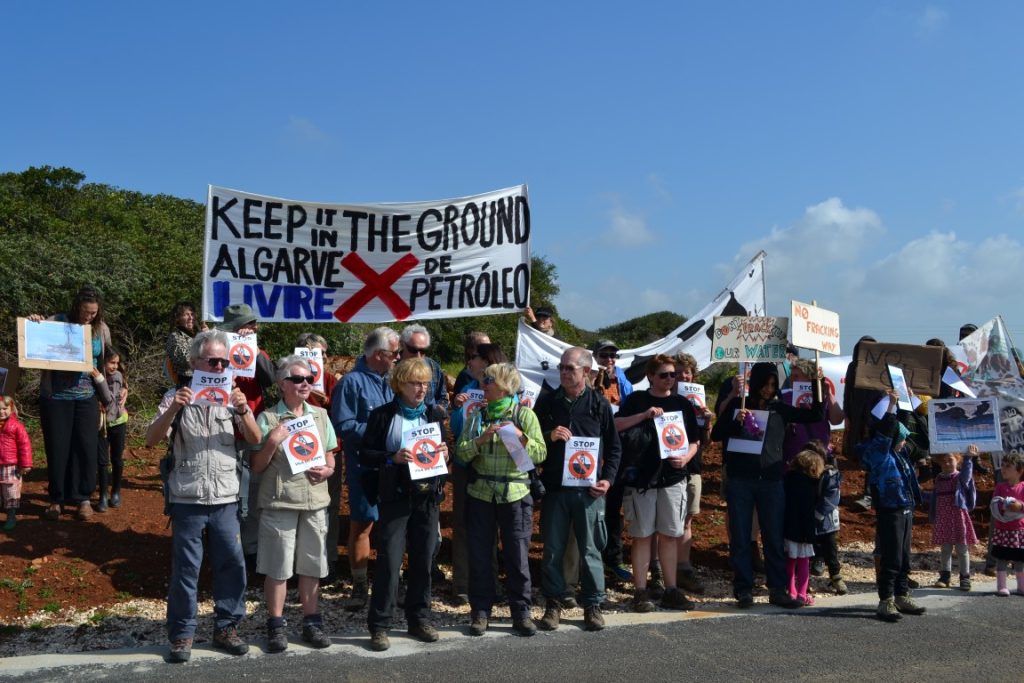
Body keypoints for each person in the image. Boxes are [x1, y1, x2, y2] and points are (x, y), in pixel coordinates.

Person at [145, 329, 261, 663]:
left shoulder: (233, 396)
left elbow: (253, 438)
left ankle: (227, 627)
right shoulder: (175, 396)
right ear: (195, 362)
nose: (219, 366)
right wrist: (172, 410)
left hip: (225, 496)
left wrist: (242, 410)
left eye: (224, 361)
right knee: (186, 570)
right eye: (213, 360)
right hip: (188, 497)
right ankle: (182, 634)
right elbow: (152, 440)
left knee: (232, 565)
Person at [711, 362, 824, 609]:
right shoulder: (739, 405)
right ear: (756, 383)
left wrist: (817, 384)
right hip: (740, 480)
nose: (768, 389)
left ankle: (777, 589)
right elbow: (715, 435)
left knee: (773, 536)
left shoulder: (780, 409)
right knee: (741, 537)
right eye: (765, 384)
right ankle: (743, 590)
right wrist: (734, 421)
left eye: (773, 385)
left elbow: (815, 414)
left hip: (772, 480)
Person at [360, 358, 451, 652]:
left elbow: (445, 453)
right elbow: (365, 454)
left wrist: (445, 453)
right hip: (396, 496)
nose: (421, 388)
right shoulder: (383, 415)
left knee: (424, 561)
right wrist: (391, 457)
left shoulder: (434, 413)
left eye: (425, 383)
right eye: (415, 383)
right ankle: (380, 625)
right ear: (400, 384)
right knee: (389, 561)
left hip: (427, 498)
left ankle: (419, 619)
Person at [250, 355, 337, 653]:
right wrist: (273, 440)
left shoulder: (321, 416)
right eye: (298, 379)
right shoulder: (267, 419)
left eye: (309, 378)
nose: (305, 383)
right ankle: (276, 625)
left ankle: (312, 622)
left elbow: (330, 455)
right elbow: (257, 466)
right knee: (278, 567)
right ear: (282, 383)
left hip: (314, 501)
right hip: (280, 502)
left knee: (312, 565)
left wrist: (328, 469)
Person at [455, 362, 546, 637]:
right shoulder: (478, 416)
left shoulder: (525, 415)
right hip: (481, 494)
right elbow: (460, 454)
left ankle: (521, 612)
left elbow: (540, 454)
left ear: (506, 386)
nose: (483, 384)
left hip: (516, 495)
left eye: (489, 380)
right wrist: (479, 441)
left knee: (518, 557)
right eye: (484, 379)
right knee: (481, 556)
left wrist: (521, 437)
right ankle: (481, 612)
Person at [533, 347, 621, 632]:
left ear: (586, 372)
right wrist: (549, 435)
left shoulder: (599, 404)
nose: (564, 372)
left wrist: (607, 480)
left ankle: (593, 605)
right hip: (556, 490)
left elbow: (615, 447)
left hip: (589, 493)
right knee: (553, 550)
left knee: (591, 550)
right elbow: (530, 444)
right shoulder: (547, 403)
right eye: (562, 367)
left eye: (570, 368)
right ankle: (553, 604)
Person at [615, 354, 700, 612]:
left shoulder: (681, 404)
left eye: (673, 375)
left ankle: (670, 589)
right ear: (651, 376)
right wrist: (643, 416)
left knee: (670, 535)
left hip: (672, 478)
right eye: (664, 375)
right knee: (642, 536)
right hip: (642, 479)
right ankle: (641, 591)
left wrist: (686, 457)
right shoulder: (636, 400)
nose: (670, 379)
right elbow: (616, 425)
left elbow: (695, 440)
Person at [330, 326, 400, 609]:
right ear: (379, 354)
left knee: (393, 525)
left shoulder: (394, 380)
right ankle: (360, 585)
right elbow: (343, 425)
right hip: (365, 467)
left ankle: (391, 582)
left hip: (394, 466)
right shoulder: (351, 383)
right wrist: (380, 431)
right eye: (394, 353)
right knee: (363, 524)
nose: (398, 357)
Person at [30, 285, 112, 521]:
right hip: (55, 398)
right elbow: (37, 344)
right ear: (77, 307)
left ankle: (83, 498)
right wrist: (36, 323)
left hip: (86, 397)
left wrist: (107, 394)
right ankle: (56, 499)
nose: (89, 316)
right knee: (58, 448)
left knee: (86, 447)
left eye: (93, 313)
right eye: (86, 312)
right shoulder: (57, 321)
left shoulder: (101, 329)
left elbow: (104, 361)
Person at [216, 304, 277, 572]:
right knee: (225, 489)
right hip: (222, 428)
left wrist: (251, 346)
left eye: (253, 324)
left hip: (252, 427)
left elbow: (271, 377)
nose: (252, 328)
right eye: (246, 325)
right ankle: (225, 545)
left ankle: (250, 549)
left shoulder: (256, 351)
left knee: (252, 491)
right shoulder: (216, 350)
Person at [857, 390, 927, 622]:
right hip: (890, 509)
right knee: (892, 555)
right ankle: (885, 599)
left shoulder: (901, 453)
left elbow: (907, 428)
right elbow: (888, 429)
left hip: (906, 506)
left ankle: (901, 594)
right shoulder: (879, 453)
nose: (905, 441)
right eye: (901, 438)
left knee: (904, 556)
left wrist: (905, 403)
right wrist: (891, 406)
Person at [448, 342, 507, 605]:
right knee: (462, 524)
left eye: (475, 359)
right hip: (466, 465)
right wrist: (459, 408)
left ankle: (490, 582)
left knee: (491, 526)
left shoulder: (509, 394)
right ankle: (461, 584)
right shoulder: (467, 389)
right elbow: (458, 431)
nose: (470, 363)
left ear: (488, 363)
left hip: (495, 467)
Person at [295, 332, 341, 584]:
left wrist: (328, 402)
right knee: (297, 507)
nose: (322, 358)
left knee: (329, 508)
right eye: (315, 354)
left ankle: (329, 559)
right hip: (297, 453)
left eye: (323, 354)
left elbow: (341, 416)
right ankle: (298, 563)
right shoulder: (290, 379)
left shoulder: (331, 381)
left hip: (328, 452)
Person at [591, 339, 635, 584]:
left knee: (613, 509)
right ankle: (592, 559)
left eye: (613, 356)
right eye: (604, 355)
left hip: (614, 453)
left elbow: (629, 409)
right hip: (589, 455)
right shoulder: (588, 378)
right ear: (595, 357)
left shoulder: (623, 381)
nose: (609, 360)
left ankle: (614, 558)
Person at [672, 352, 713, 595]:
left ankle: (683, 568)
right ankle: (659, 571)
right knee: (664, 523)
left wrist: (706, 422)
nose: (681, 376)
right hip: (668, 469)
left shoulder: (699, 402)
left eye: (685, 372)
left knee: (687, 520)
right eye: (676, 373)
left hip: (693, 468)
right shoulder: (664, 401)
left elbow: (705, 442)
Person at [926, 446, 978, 591]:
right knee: (945, 549)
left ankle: (965, 577)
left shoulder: (960, 478)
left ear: (957, 460)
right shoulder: (939, 479)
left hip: (958, 517)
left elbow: (967, 476)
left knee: (962, 549)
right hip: (943, 519)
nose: (947, 463)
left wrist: (969, 459)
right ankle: (945, 576)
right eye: (944, 461)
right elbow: (934, 498)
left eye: (950, 460)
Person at [783, 449, 825, 606]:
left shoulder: (788, 479)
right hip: (805, 529)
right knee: (804, 562)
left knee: (790, 561)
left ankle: (791, 591)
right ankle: (802, 593)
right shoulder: (812, 484)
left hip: (789, 526)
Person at [805, 439, 847, 594]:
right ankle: (805, 580)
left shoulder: (830, 476)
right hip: (809, 521)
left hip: (826, 522)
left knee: (831, 550)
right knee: (807, 550)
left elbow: (830, 499)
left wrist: (816, 515)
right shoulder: (803, 476)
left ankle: (836, 577)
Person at [97, 347, 129, 511]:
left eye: (117, 363)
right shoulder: (94, 376)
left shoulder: (116, 377)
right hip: (101, 425)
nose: (115, 366)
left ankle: (116, 491)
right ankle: (102, 495)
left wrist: (100, 380)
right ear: (103, 362)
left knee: (116, 458)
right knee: (102, 461)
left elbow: (109, 400)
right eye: (111, 362)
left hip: (117, 421)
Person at [990, 452, 1024, 596]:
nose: (1003, 469)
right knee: (1002, 557)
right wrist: (1002, 506)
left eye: (1008, 466)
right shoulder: (1000, 487)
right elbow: (994, 504)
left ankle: (1021, 586)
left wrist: (1020, 506)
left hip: (1019, 530)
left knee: (1020, 559)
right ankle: (1002, 586)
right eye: (1002, 466)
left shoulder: (1022, 487)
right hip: (1002, 529)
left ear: (1019, 470)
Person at [399, 324, 450, 412]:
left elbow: (442, 397)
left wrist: (439, 410)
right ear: (402, 344)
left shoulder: (433, 367)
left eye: (423, 351)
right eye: (413, 350)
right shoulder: (392, 367)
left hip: (427, 421)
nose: (418, 356)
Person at [0, 396, 32, 531]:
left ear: (11, 408)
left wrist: (25, 464)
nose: (1, 412)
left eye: (4, 408)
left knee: (10, 491)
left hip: (10, 465)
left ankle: (11, 517)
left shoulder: (16, 426)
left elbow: (24, 445)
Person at [165, 301, 202, 386]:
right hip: (186, 384)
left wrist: (207, 336)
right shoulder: (175, 336)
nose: (190, 318)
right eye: (186, 314)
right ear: (178, 318)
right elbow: (186, 360)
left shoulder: (199, 334)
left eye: (192, 314)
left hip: (202, 380)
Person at [453, 331, 490, 396]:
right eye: (484, 347)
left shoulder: (499, 373)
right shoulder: (465, 377)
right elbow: (460, 404)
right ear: (470, 350)